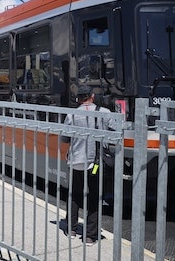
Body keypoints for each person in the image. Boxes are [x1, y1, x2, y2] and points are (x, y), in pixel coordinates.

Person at [63, 84, 112, 246]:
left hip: (76, 161)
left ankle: (71, 229)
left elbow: (65, 138)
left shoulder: (72, 113)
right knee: (94, 198)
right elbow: (116, 131)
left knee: (75, 195)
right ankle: (90, 236)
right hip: (95, 163)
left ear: (79, 98)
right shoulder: (104, 113)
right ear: (92, 96)